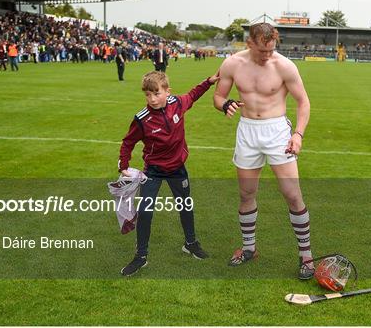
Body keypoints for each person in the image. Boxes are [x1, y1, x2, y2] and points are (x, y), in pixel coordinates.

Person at [213, 22, 315, 280]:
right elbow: (218, 96)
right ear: (249, 43)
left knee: (292, 193)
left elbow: (303, 102)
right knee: (246, 193)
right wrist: (224, 105)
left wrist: (298, 134)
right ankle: (249, 249)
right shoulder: (232, 64)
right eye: (262, 51)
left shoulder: (284, 66)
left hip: (277, 132)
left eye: (271, 50)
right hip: (247, 131)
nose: (267, 55)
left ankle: (306, 256)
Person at [118, 70, 219, 276]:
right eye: (148, 95)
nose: (152, 99)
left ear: (167, 92)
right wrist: (123, 166)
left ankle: (190, 243)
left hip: (177, 169)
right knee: (145, 212)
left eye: (156, 93)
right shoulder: (141, 119)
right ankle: (141, 256)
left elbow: (192, 95)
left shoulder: (177, 103)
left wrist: (208, 82)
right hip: (153, 171)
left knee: (185, 207)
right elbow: (128, 142)